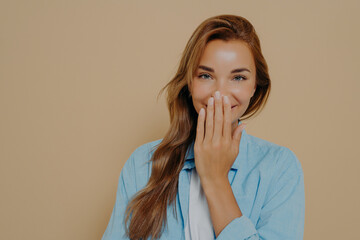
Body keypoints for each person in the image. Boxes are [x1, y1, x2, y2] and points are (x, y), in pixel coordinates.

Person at [102, 14, 305, 240]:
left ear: (255, 86)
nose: (220, 93)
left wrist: (216, 179)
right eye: (206, 75)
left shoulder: (279, 168)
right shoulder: (143, 164)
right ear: (190, 83)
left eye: (238, 77)